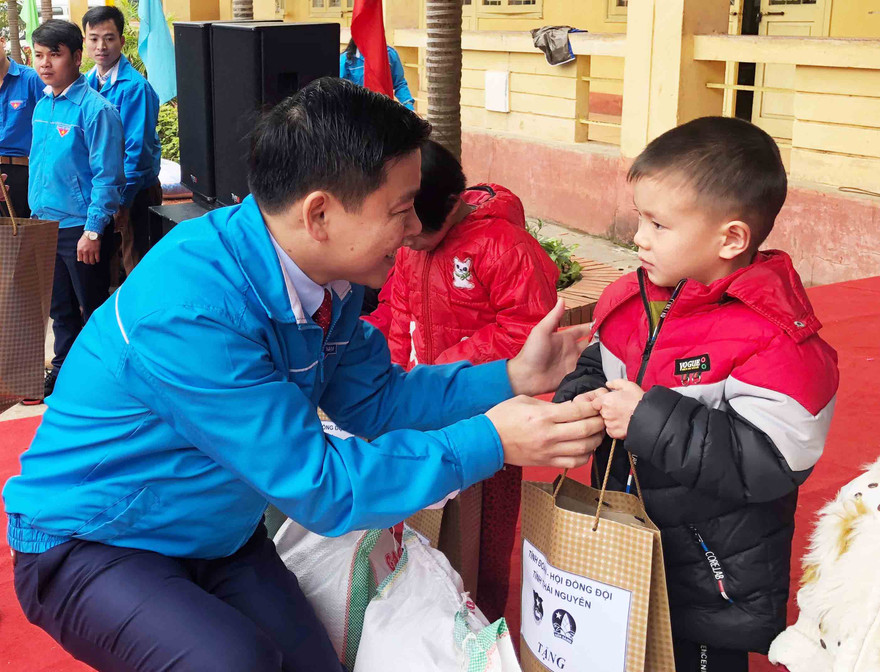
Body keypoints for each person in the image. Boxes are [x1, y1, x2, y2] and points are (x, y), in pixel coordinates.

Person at [4, 78, 604, 672]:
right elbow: (323, 486)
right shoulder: (192, 313)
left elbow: (379, 400)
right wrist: (492, 440)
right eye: (400, 211)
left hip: (217, 533)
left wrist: (511, 376)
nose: (414, 231)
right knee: (232, 663)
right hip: (94, 540)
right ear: (320, 214)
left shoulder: (327, 280)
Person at [554, 116, 839, 672]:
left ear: (731, 238)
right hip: (625, 536)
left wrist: (646, 419)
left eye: (659, 225)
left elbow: (774, 459)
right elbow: (600, 359)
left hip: (714, 573)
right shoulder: (630, 295)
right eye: (641, 217)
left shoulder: (777, 336)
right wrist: (581, 401)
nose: (639, 237)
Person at [365, 138, 560, 621]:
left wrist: (445, 365)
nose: (405, 238)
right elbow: (399, 314)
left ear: (450, 206)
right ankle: (432, 607)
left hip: (490, 408)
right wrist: (386, 385)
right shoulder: (412, 248)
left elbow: (526, 328)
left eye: (415, 229)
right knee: (426, 517)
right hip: (425, 402)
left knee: (487, 530)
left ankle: (484, 615)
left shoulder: (504, 247)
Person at [25, 20, 125, 403]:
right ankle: (64, 371)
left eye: (55, 54)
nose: (45, 64)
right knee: (59, 310)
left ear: (76, 57)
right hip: (44, 225)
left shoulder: (96, 110)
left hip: (79, 230)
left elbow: (108, 177)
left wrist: (94, 230)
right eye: (39, 55)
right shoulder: (44, 104)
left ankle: (102, 381)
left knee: (92, 309)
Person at [82, 5, 162, 276]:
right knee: (105, 268)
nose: (100, 46)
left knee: (136, 265)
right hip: (103, 193)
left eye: (109, 38)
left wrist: (122, 202)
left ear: (121, 41)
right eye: (93, 38)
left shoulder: (135, 87)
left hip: (134, 191)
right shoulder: (87, 83)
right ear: (85, 42)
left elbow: (136, 152)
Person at [0, 34, 45, 218]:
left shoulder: (31, 79)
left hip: (24, 172)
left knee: (25, 239)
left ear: (2, 40)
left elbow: (47, 128)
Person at [340, 37, 414, 110]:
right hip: (357, 113)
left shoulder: (389, 55)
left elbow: (399, 84)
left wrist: (409, 107)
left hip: (384, 111)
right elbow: (340, 91)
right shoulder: (346, 60)